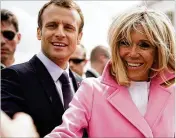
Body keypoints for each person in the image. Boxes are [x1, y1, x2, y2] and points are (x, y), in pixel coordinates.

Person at [45, 7, 175, 137]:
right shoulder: (92, 90)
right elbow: (65, 133)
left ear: (160, 50)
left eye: (144, 45)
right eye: (125, 43)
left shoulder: (172, 92)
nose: (133, 53)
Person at [1, 0, 84, 137]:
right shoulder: (12, 77)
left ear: (79, 37)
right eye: (52, 26)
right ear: (39, 32)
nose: (60, 33)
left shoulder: (84, 86)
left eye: (69, 27)